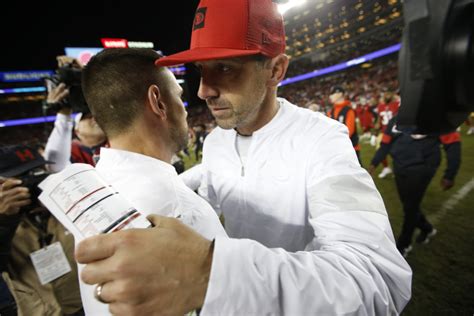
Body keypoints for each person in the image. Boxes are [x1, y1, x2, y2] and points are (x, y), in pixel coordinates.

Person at [76, 0, 412, 315]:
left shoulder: (321, 140)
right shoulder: (218, 142)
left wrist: (213, 273)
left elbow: (378, 280)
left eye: (225, 68)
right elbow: (211, 182)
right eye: (201, 70)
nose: (203, 90)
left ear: (275, 70)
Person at [78, 48, 227, 315]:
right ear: (158, 101)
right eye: (179, 97)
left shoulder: (98, 184)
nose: (185, 108)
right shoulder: (175, 208)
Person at [0, 145, 83, 316]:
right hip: (36, 311)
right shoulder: (4, 215)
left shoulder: (63, 204)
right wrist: (4, 220)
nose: (36, 183)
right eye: (23, 178)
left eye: (39, 172)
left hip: (81, 306)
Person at [368, 115, 461, 257]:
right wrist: (374, 162)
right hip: (400, 166)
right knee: (408, 204)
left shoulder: (435, 116)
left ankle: (404, 244)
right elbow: (386, 143)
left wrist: (450, 174)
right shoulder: (396, 119)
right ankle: (427, 228)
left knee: (410, 207)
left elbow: (452, 144)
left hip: (423, 167)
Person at [43, 56, 108, 172]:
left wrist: (89, 77)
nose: (94, 118)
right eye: (86, 117)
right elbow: (55, 166)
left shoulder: (117, 143)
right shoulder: (73, 150)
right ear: (77, 131)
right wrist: (64, 114)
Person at [327, 85, 362, 164]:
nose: (330, 96)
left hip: (351, 147)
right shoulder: (330, 112)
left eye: (332, 94)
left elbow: (350, 131)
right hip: (337, 148)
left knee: (357, 172)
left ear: (340, 94)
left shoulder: (349, 110)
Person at [374, 90, 400, 178]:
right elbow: (378, 120)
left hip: (396, 132)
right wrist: (375, 134)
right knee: (379, 150)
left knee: (396, 152)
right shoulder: (380, 106)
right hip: (384, 132)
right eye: (385, 93)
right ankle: (386, 168)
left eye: (389, 93)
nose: (387, 95)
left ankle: (397, 169)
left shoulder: (396, 104)